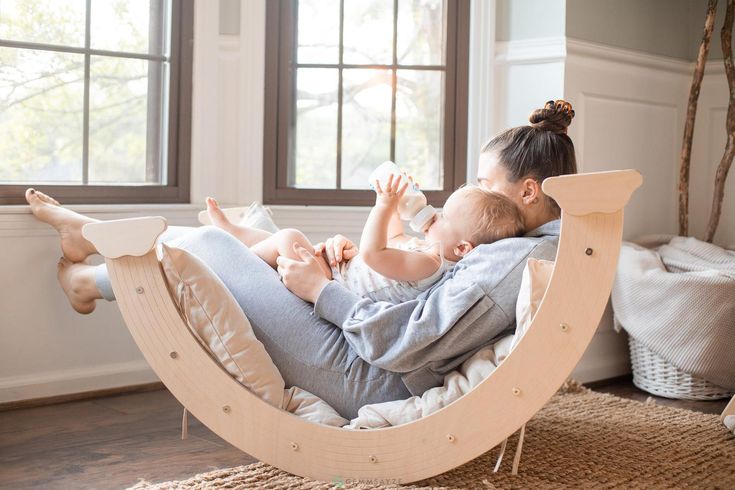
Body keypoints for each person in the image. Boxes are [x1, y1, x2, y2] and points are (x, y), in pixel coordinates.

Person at [26, 100, 577, 419]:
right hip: (363, 345)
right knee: (268, 241)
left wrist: (323, 291)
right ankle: (91, 248)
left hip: (367, 373)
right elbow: (425, 289)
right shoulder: (520, 247)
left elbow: (411, 343)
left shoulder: (510, 259)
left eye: (485, 181)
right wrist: (349, 272)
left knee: (212, 249)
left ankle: (90, 277)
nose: (476, 191)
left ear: (528, 191)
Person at [205, 179, 524, 303]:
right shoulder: (426, 251)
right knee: (283, 240)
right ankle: (235, 234)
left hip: (333, 285)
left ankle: (232, 253)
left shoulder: (431, 264)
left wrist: (382, 207)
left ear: (463, 248)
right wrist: (396, 203)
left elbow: (374, 254)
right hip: (336, 270)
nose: (433, 216)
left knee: (289, 239)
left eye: (441, 217)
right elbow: (394, 239)